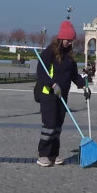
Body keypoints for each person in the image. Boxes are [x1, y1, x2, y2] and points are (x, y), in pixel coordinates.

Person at [35, 20, 90, 167]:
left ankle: (54, 154)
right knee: (49, 125)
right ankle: (43, 155)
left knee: (58, 126)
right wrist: (53, 84)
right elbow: (41, 73)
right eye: (68, 40)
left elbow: (73, 75)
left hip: (62, 95)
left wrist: (83, 85)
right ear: (61, 39)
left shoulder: (69, 57)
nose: (70, 43)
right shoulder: (49, 52)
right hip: (49, 94)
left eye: (71, 40)